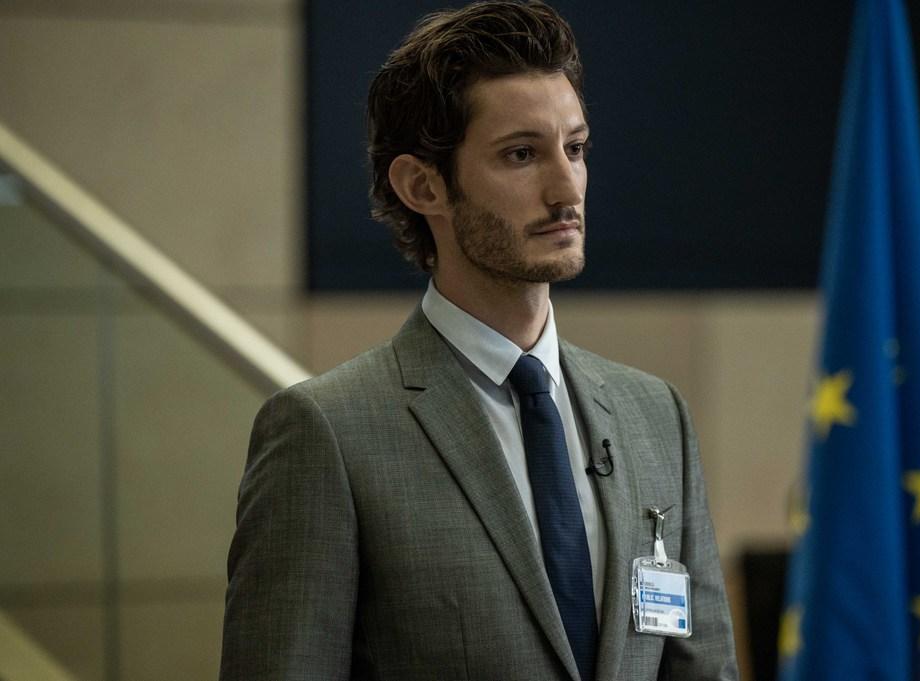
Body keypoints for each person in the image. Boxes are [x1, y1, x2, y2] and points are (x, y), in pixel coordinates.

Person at [219, 2, 737, 679]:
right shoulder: (327, 434)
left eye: (575, 149)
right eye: (521, 154)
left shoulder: (655, 415)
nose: (566, 189)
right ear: (422, 185)